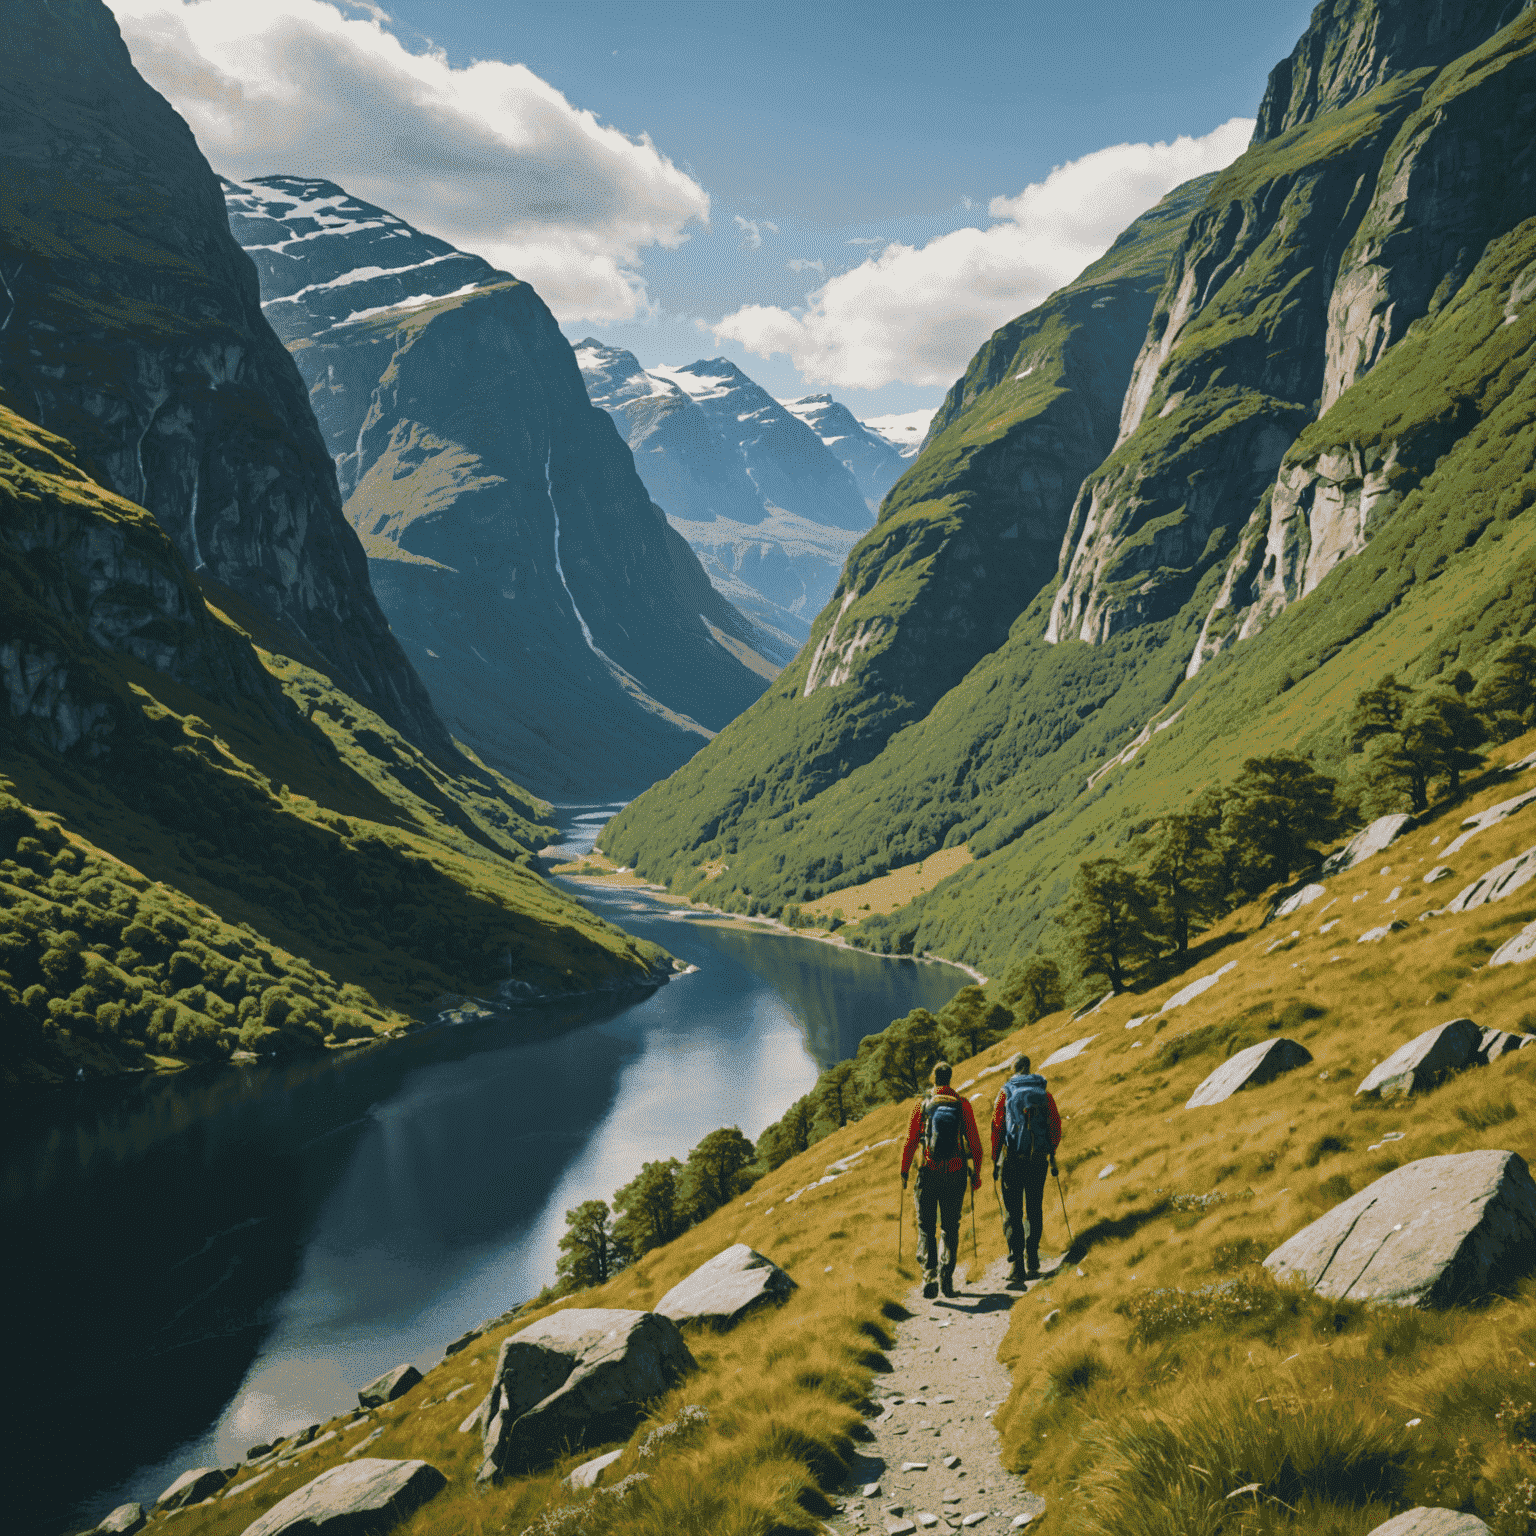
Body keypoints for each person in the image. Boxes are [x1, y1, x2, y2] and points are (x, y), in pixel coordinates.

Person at [900, 1060, 983, 1299]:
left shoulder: (923, 1104)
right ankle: (947, 1278)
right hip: (956, 1174)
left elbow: (911, 1141)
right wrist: (976, 1174)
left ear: (933, 1079)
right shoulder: (962, 1104)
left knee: (926, 1227)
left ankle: (929, 1275)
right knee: (950, 1227)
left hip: (928, 1172)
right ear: (950, 1078)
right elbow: (975, 1144)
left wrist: (905, 1171)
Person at [990, 1053, 1062, 1286]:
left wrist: (995, 1157)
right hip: (1038, 1158)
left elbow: (997, 1126)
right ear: (1030, 1068)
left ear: (1014, 1069)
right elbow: (1055, 1125)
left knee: (1013, 1211)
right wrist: (1048, 1150)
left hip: (1013, 1157)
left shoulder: (1006, 1092)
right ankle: (1033, 1259)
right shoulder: (1044, 1092)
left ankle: (1017, 1265)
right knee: (1034, 1207)